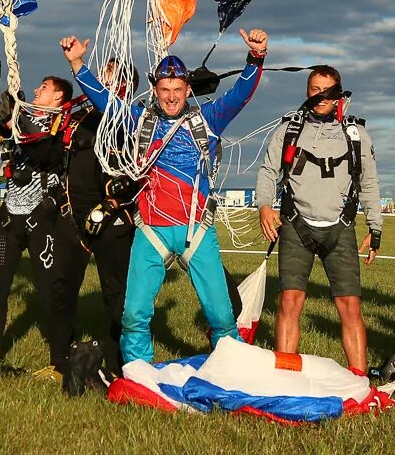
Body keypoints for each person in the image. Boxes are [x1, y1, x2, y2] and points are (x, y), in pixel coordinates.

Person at [63, 27, 266, 366]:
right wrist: (78, 64)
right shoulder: (138, 121)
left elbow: (240, 94)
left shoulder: (209, 119)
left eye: (177, 89)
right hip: (151, 231)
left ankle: (230, 372)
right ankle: (139, 373)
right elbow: (105, 101)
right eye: (164, 89)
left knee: (221, 315)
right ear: (155, 90)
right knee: (134, 315)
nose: (171, 96)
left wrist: (256, 57)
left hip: (196, 232)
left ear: (188, 89)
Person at [254, 65, 382, 375]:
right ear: (307, 92)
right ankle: (285, 376)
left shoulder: (356, 134)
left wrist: (375, 228)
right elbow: (269, 171)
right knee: (289, 301)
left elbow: (369, 182)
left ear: (339, 94)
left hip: (340, 228)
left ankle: (358, 382)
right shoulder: (289, 130)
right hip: (296, 226)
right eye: (315, 89)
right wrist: (264, 207)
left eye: (327, 90)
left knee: (350, 306)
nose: (321, 96)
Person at [0, 59, 77, 380]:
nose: (36, 90)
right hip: (9, 216)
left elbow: (48, 153)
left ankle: (61, 360)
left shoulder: (64, 122)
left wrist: (15, 116)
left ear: (58, 96)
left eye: (43, 87)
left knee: (49, 292)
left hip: (42, 217)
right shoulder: (21, 119)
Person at [57, 59, 140, 388]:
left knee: (115, 293)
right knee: (61, 288)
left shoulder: (129, 119)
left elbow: (137, 170)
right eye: (102, 74)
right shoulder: (80, 120)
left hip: (112, 221)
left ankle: (122, 362)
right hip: (73, 217)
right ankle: (61, 357)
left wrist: (113, 205)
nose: (103, 81)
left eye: (110, 75)